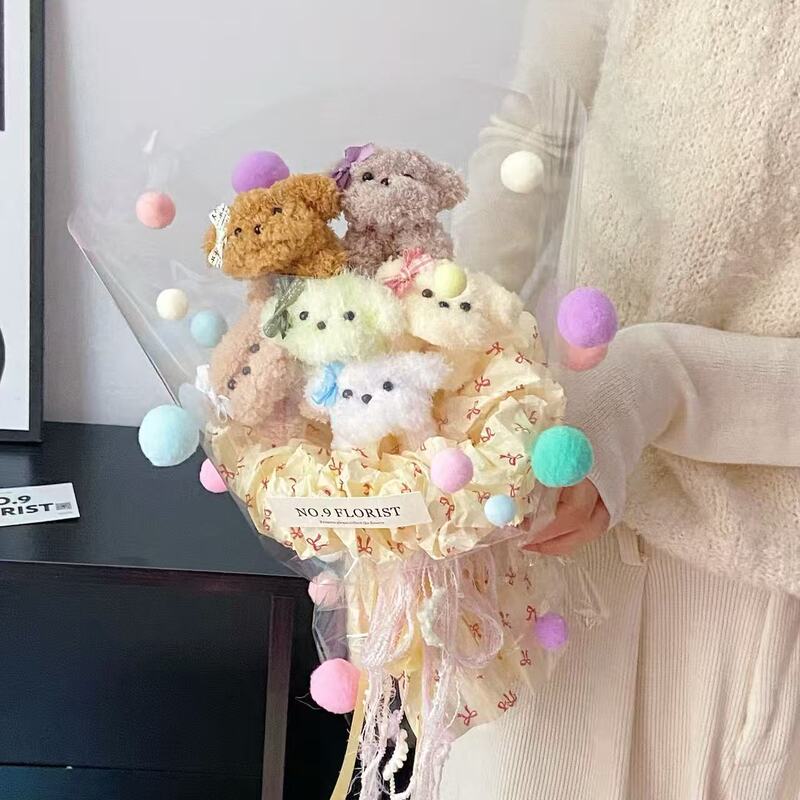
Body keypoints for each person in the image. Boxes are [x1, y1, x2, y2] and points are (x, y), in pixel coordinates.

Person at [441, 2, 800, 798]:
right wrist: (445, 356)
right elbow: (533, 137)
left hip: (759, 560)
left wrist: (654, 380)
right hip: (562, 501)